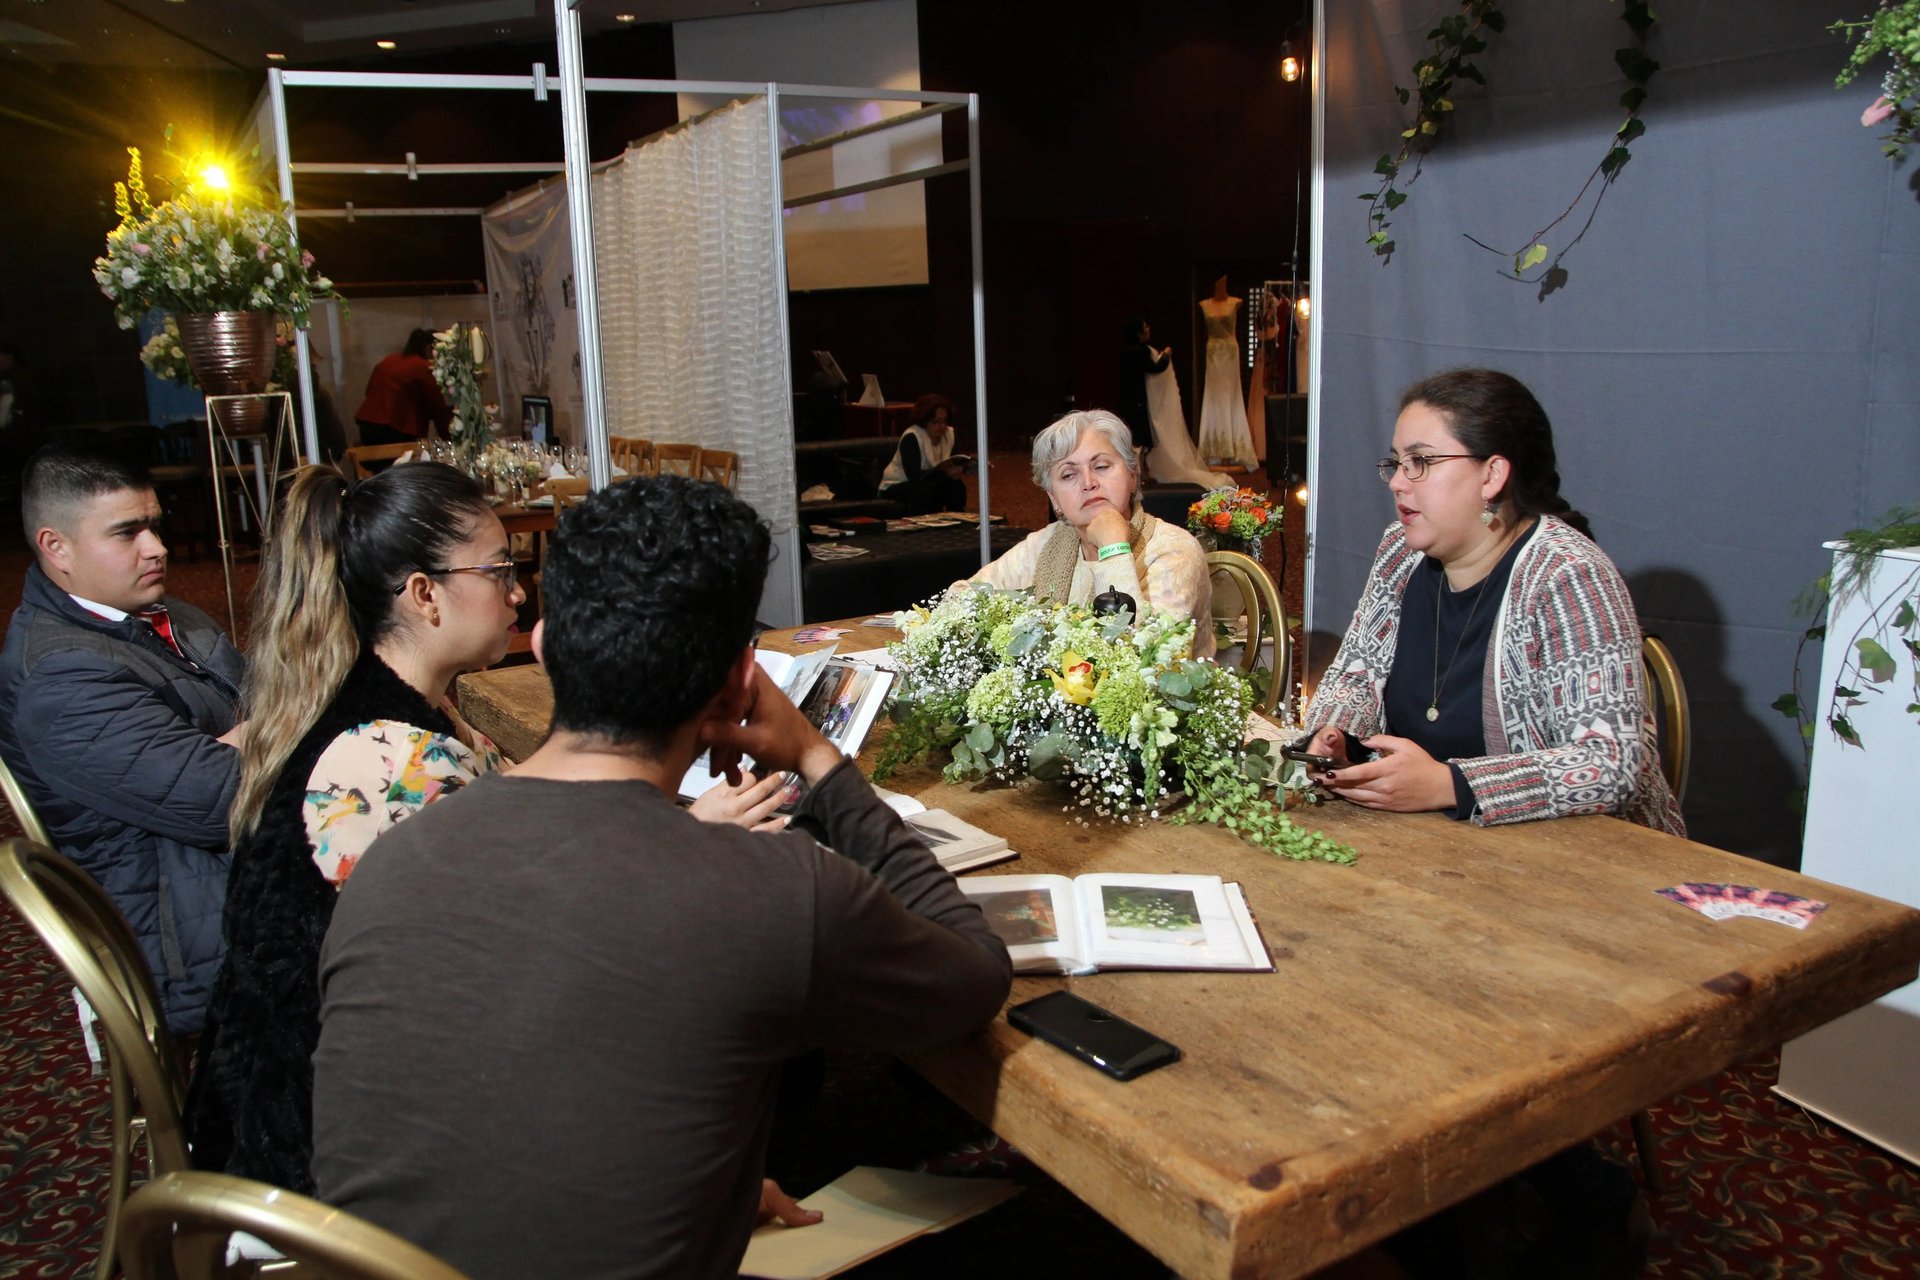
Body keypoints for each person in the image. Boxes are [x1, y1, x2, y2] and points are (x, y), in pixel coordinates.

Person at [310, 475, 1012, 1280]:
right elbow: (975, 974)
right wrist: (820, 758)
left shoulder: (394, 861)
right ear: (742, 683)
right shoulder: (773, 891)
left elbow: (499, 1099)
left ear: (541, 649)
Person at [187, 461, 522, 1194]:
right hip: (327, 1152)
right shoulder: (390, 758)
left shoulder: (375, 701)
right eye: (501, 568)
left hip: (303, 1095)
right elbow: (512, 957)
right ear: (425, 593)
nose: (519, 590)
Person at [1298, 368, 1684, 834]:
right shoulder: (1399, 551)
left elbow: (1610, 767)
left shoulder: (1571, 576)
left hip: (1585, 863)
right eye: (1396, 463)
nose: (1398, 482)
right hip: (1440, 846)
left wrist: (1450, 784)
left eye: (1420, 461)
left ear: (1492, 475)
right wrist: (1336, 736)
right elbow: (1355, 677)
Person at [0, 439, 244, 1034]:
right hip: (192, 937)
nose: (157, 548)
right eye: (127, 532)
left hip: (220, 869)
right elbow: (228, 800)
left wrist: (242, 735)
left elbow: (273, 703)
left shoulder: (167, 612)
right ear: (56, 547)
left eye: (154, 526)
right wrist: (271, 727)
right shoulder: (60, 678)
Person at [962, 409, 1215, 657]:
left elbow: (1144, 658)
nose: (1088, 482)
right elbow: (962, 596)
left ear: (1132, 476)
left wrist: (1113, 548)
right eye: (1068, 474)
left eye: (1102, 466)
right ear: (1054, 499)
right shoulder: (1046, 544)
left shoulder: (1174, 550)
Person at [352, 329, 451, 446]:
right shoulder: (424, 367)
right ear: (430, 349)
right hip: (395, 428)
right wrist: (448, 440)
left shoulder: (389, 360)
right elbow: (438, 408)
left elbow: (369, 391)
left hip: (367, 425)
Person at [878, 392, 967, 514]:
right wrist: (943, 473)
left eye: (945, 421)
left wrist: (960, 469)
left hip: (931, 481)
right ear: (924, 422)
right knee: (924, 490)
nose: (942, 426)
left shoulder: (950, 434)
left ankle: (958, 520)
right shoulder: (912, 437)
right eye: (936, 422)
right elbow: (915, 477)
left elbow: (955, 460)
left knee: (956, 485)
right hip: (900, 484)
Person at [1117, 317, 1171, 457]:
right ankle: (1140, 470)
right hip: (1138, 400)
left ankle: (1140, 469)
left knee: (1131, 435)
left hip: (1126, 398)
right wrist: (1166, 355)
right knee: (1139, 436)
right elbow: (1155, 368)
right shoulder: (1140, 351)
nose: (1148, 329)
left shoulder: (1125, 350)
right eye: (1145, 327)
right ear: (1138, 332)